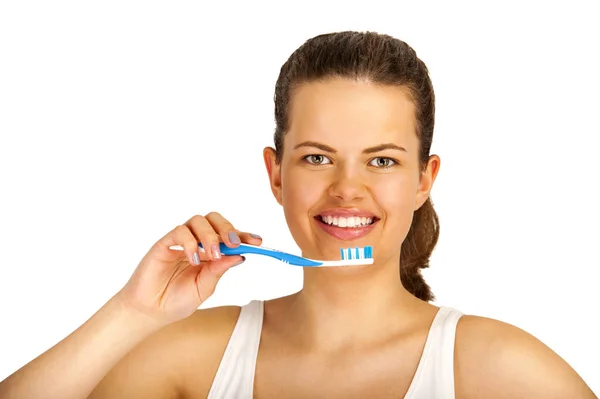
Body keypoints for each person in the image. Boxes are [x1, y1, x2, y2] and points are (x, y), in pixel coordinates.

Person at [0, 30, 596, 399]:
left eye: (382, 161)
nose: (347, 190)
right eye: (317, 157)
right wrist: (131, 314)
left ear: (424, 180)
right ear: (276, 173)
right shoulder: (194, 358)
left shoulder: (499, 369)